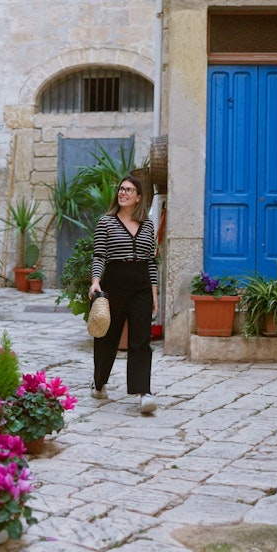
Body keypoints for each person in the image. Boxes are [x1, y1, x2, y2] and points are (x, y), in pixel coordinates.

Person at [88, 175, 159, 414]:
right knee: (107, 337)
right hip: (114, 283)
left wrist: (154, 293)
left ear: (139, 197)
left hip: (141, 286)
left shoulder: (148, 225)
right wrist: (96, 282)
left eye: (129, 190)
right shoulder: (105, 222)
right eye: (121, 189)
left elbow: (151, 262)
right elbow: (99, 256)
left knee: (141, 340)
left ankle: (143, 393)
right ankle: (99, 382)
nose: (123, 193)